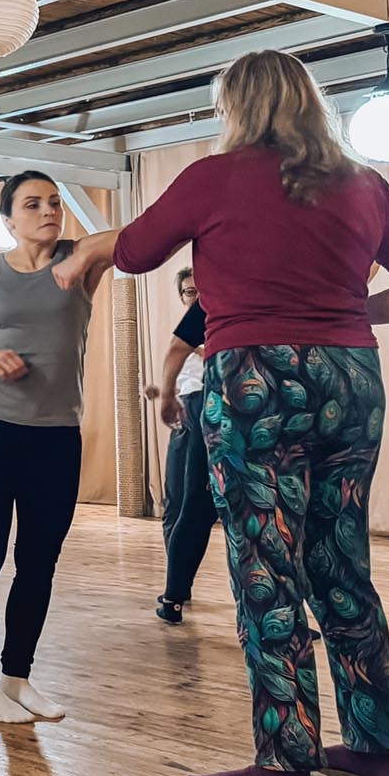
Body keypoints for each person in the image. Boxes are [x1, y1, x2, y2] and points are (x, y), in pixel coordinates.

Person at [58, 50, 389, 776]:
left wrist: (90, 250)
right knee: (339, 559)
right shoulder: (363, 183)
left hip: (254, 379)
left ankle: (282, 764)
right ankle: (371, 748)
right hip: (351, 379)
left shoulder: (217, 176)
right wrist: (345, 315)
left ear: (236, 106)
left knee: (265, 562)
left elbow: (136, 252)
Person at [0, 171, 108, 724]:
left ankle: (18, 676)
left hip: (56, 437)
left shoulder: (80, 264)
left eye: (54, 202)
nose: (48, 211)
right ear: (7, 220)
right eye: (32, 205)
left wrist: (84, 251)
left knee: (39, 564)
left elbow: (130, 237)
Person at [147, 268, 218, 625]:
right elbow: (182, 355)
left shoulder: (226, 305)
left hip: (231, 407)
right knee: (183, 503)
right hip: (195, 410)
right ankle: (176, 591)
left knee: (199, 507)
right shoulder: (195, 322)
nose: (195, 296)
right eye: (189, 292)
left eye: (199, 290)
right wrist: (164, 393)